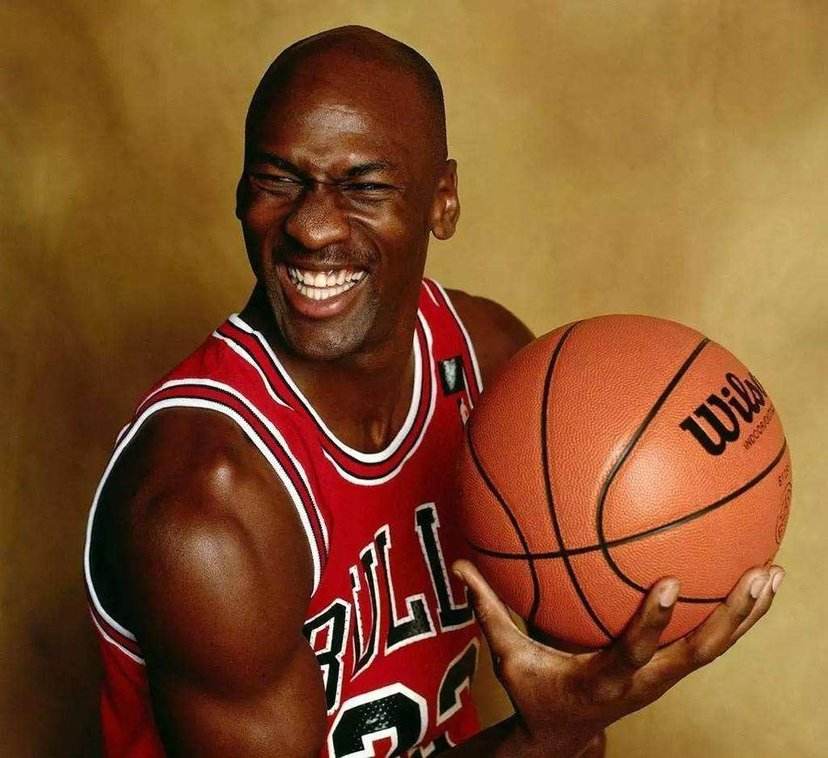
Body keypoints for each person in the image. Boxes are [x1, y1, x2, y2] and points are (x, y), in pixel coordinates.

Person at [83, 25, 784, 757]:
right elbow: (558, 733)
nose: (312, 227)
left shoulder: (492, 367)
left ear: (442, 202)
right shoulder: (204, 510)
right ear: (240, 193)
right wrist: (546, 737)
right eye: (277, 180)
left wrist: (596, 674)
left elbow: (568, 698)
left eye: (365, 187)